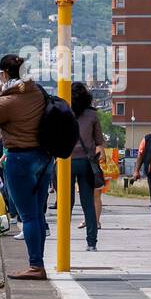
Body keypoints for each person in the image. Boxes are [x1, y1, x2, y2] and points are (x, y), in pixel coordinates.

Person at [0, 54, 48, 280]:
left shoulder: (7, 101)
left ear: (4, 74)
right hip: (43, 159)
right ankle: (38, 262)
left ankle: (36, 266)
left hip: (19, 159)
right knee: (38, 214)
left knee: (28, 216)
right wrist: (1, 89)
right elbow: (18, 105)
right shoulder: (37, 91)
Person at [69, 82, 105, 252]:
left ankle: (64, 239)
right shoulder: (92, 115)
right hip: (86, 162)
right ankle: (92, 241)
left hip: (65, 161)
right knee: (88, 203)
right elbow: (99, 142)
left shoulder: (62, 113)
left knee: (66, 203)